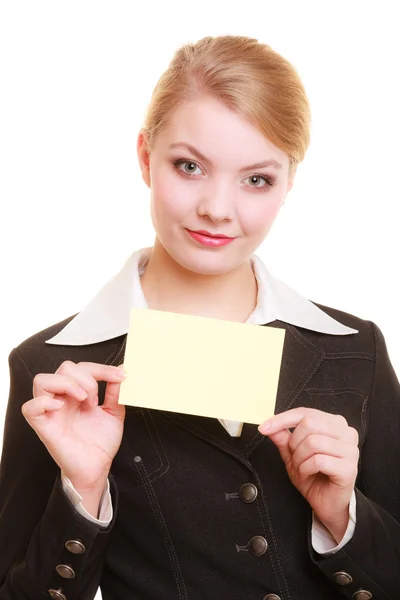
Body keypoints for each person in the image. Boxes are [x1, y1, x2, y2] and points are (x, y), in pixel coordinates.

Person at [0, 34, 399, 600]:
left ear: (289, 182)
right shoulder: (52, 370)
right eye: (189, 166)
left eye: (256, 179)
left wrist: (345, 518)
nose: (216, 208)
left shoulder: (355, 349)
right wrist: (81, 494)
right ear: (145, 156)